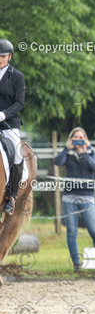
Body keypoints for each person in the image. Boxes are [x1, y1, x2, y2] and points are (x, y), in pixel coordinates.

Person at [53, 127, 95, 272]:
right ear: (71, 139)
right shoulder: (68, 153)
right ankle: (76, 263)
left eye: (81, 137)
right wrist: (66, 148)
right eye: (75, 138)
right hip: (69, 199)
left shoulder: (91, 152)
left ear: (86, 139)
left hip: (87, 198)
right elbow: (57, 162)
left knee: (94, 231)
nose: (78, 140)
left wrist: (85, 152)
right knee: (71, 232)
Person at [0, 39, 26, 215]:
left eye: (3, 56)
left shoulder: (17, 76)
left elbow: (19, 103)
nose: (0, 59)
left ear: (9, 56)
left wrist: (3, 114)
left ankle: (11, 196)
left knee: (17, 153)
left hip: (9, 123)